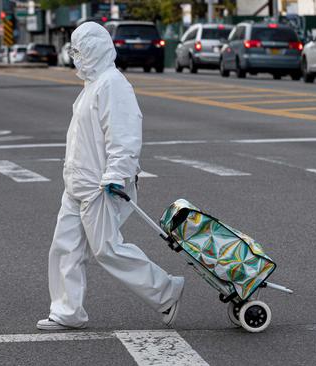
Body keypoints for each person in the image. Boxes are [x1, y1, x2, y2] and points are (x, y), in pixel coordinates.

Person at [36, 22, 185, 331]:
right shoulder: (92, 85)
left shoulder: (112, 84)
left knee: (108, 249)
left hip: (99, 185)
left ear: (96, 48)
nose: (76, 56)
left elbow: (124, 135)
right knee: (65, 247)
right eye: (74, 50)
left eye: (81, 50)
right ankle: (66, 311)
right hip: (78, 183)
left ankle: (166, 290)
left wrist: (117, 173)